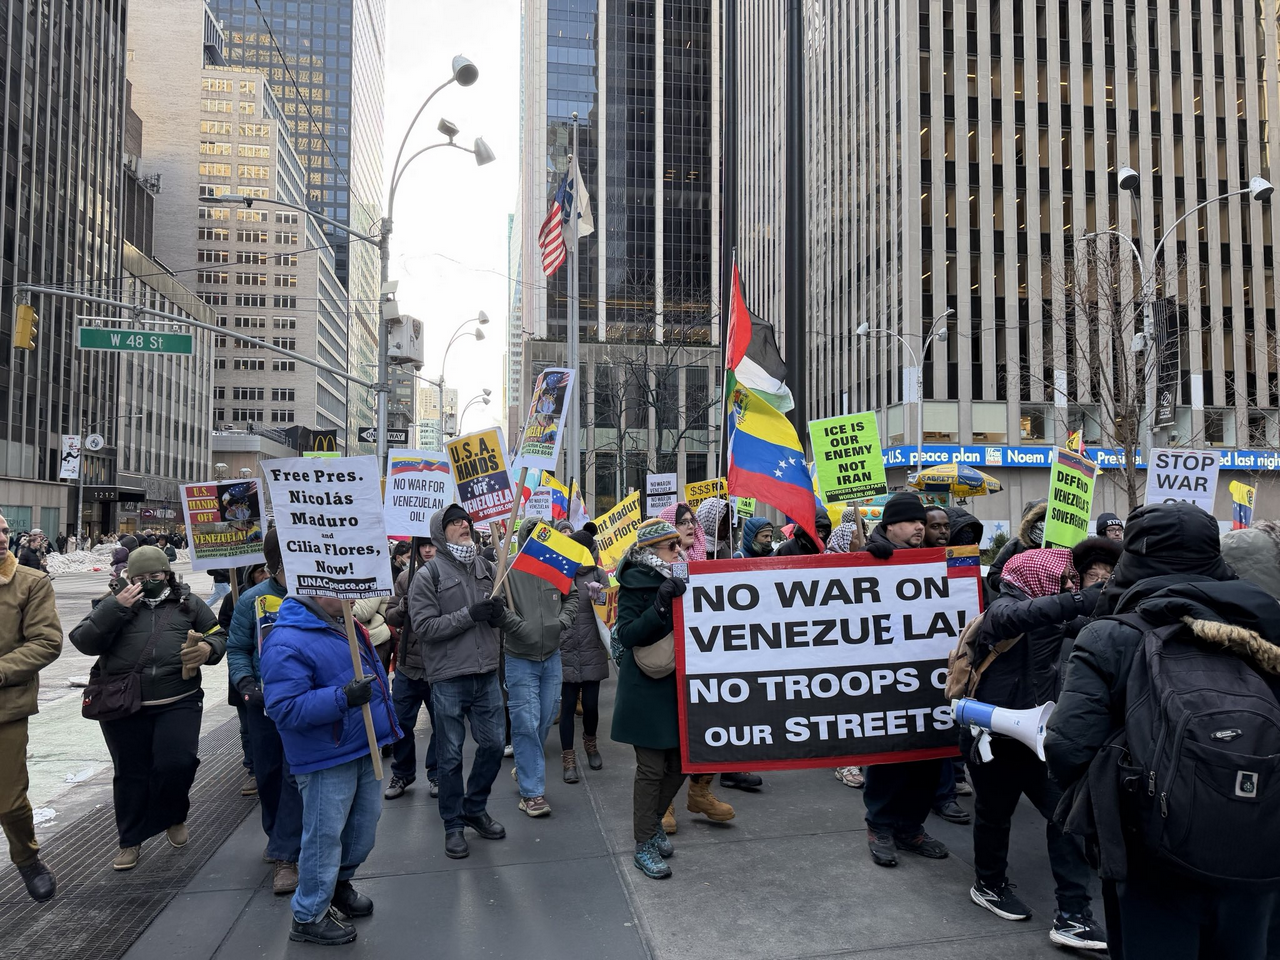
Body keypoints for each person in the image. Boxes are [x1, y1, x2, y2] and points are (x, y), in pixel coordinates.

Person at [1046, 502, 1280, 959]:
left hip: (1151, 852)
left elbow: (1067, 746)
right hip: (1262, 842)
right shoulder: (1269, 622)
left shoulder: (1111, 634)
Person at [964, 549, 1106, 951]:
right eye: (1063, 579)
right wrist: (1082, 599)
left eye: (1071, 581)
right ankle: (988, 885)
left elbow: (1091, 625)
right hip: (992, 738)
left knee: (1065, 816)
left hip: (1039, 738)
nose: (1069, 585)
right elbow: (1019, 616)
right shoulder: (1002, 610)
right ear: (1037, 578)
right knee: (994, 817)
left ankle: (1074, 916)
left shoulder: (1053, 614)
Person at [69, 546, 225, 871]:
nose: (148, 582)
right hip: (125, 703)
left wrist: (209, 648)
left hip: (178, 698)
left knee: (177, 763)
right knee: (130, 773)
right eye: (139, 578)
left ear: (167, 574)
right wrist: (115, 607)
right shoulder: (112, 603)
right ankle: (130, 840)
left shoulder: (189, 603)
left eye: (154, 576)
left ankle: (173, 815)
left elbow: (218, 633)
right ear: (129, 578)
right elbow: (83, 641)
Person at [261, 594, 400, 947]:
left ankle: (336, 886)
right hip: (327, 755)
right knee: (324, 837)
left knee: (362, 829)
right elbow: (283, 708)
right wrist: (341, 698)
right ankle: (308, 915)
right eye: (341, 588)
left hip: (362, 744)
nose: (353, 596)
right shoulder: (285, 639)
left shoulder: (346, 624)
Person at [408, 504, 508, 859]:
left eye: (465, 520)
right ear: (440, 533)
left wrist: (499, 615)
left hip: (485, 674)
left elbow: (503, 614)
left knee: (495, 745)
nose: (463, 525)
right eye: (454, 522)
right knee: (449, 757)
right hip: (449, 677)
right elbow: (423, 628)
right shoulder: (428, 574)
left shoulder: (486, 567)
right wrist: (469, 615)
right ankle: (452, 824)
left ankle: (474, 807)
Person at [858, 492, 947, 866]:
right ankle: (880, 825)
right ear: (891, 524)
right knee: (889, 756)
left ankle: (911, 827)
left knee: (929, 755)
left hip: (926, 675)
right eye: (913, 522)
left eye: (922, 524)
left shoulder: (930, 555)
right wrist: (868, 559)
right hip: (885, 676)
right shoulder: (870, 555)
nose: (920, 528)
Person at [611, 518, 688, 879]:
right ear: (650, 551)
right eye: (671, 546)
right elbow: (626, 634)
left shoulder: (686, 577)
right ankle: (643, 843)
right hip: (647, 687)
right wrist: (658, 607)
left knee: (682, 764)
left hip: (680, 686)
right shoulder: (633, 584)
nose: (679, 551)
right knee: (652, 769)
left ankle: (654, 821)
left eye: (679, 544)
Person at [227, 530, 301, 894]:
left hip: (305, 702)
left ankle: (287, 853)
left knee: (294, 774)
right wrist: (245, 684)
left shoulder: (317, 595)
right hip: (263, 704)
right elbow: (237, 647)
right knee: (270, 774)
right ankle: (278, 838)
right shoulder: (253, 601)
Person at [0, 512, 62, 901]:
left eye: (4, 530)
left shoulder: (30, 581)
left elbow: (46, 642)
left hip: (5, 708)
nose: (1, 537)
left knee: (8, 802)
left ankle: (27, 858)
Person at [502, 517, 579, 817]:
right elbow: (497, 607)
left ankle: (525, 768)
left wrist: (562, 622)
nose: (537, 539)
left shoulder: (556, 564)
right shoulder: (508, 567)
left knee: (545, 717)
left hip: (552, 656)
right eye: (531, 534)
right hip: (520, 657)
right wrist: (518, 626)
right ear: (523, 538)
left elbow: (571, 596)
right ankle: (532, 794)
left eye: (541, 534)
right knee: (525, 723)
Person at [383, 536, 440, 801]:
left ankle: (436, 772)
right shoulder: (405, 579)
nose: (427, 550)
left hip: (439, 665)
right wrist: (405, 604)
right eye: (423, 545)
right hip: (408, 666)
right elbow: (391, 615)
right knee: (401, 723)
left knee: (441, 724)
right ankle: (403, 772)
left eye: (432, 544)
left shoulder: (447, 576)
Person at [559, 526, 611, 783]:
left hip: (592, 648)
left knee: (590, 705)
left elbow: (610, 613)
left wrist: (600, 597)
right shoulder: (559, 574)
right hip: (565, 648)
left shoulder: (599, 574)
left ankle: (590, 743)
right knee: (567, 706)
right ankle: (568, 757)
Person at [219, 562, 269, 797]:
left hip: (268, 673)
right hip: (245, 674)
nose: (264, 575)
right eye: (259, 571)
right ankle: (253, 769)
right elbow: (225, 627)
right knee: (248, 726)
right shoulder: (237, 597)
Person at [828, 508, 869, 789]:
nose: (862, 540)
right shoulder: (827, 566)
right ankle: (846, 760)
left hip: (864, 644)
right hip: (837, 648)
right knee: (845, 704)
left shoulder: (868, 563)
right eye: (857, 536)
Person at [986, 500, 1047, 593]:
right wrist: (1013, 585)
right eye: (1039, 519)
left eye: (1046, 519)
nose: (1043, 524)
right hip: (1019, 601)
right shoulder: (1015, 545)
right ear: (1028, 522)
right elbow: (994, 575)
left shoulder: (1062, 546)